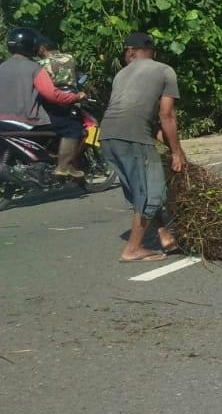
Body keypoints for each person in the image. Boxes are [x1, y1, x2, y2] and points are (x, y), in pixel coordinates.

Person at [99, 32, 187, 263]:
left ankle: (164, 235)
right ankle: (133, 249)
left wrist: (172, 146)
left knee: (140, 190)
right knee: (152, 193)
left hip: (107, 136)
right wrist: (177, 152)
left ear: (130, 52)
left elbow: (142, 118)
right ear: (153, 52)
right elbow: (166, 115)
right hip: (134, 137)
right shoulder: (165, 70)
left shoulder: (121, 74)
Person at [0, 27, 87, 177]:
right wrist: (76, 97)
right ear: (31, 45)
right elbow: (52, 95)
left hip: (2, 121)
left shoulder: (2, 67)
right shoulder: (35, 68)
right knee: (72, 126)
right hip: (27, 120)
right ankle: (63, 166)